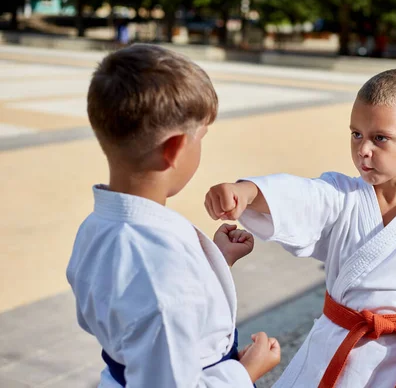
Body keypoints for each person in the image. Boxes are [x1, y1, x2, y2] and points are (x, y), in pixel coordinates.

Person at [205, 69, 396, 387]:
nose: (363, 149)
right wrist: (249, 192)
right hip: (338, 350)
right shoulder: (341, 195)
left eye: (380, 138)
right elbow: (303, 197)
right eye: (356, 134)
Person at [67, 44, 280, 387]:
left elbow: (129, 308)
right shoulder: (162, 278)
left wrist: (215, 262)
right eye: (201, 138)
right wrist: (244, 371)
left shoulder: (96, 229)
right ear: (175, 148)